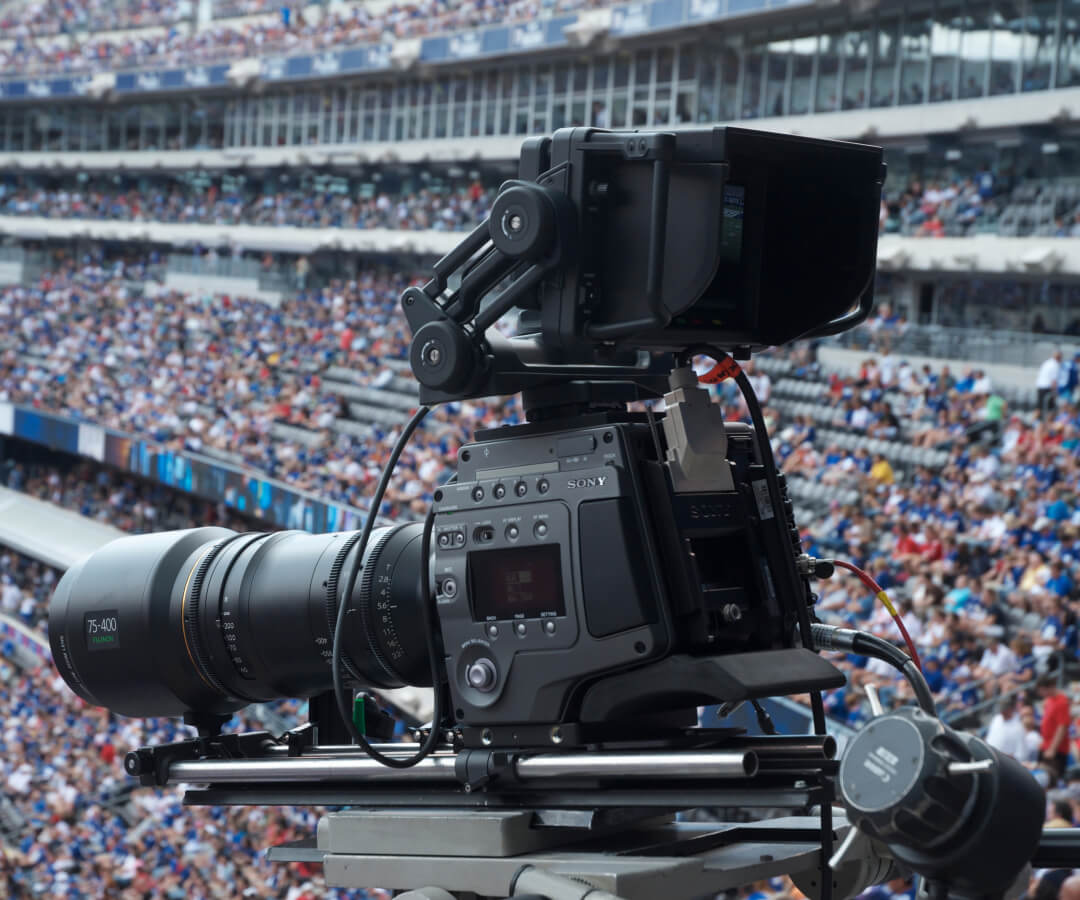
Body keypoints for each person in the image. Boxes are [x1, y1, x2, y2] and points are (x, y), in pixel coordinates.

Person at [1039, 676, 1072, 779]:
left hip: (1056, 750)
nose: (1041, 693)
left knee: (1051, 779)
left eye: (1043, 690)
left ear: (1050, 687)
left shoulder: (1061, 702)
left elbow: (1062, 727)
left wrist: (1052, 749)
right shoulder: (1049, 700)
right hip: (1046, 745)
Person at [986, 695, 1027, 760]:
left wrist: (1003, 757)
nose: (1002, 712)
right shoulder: (997, 719)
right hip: (990, 757)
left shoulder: (1018, 727)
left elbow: (1021, 755)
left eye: (1005, 709)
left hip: (1006, 763)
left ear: (1011, 709)